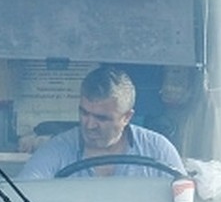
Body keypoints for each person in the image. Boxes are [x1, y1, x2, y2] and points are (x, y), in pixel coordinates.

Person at [19, 65, 184, 180]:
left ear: (127, 117)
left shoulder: (158, 151)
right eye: (84, 113)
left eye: (102, 118)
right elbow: (25, 197)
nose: (89, 125)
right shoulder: (56, 151)